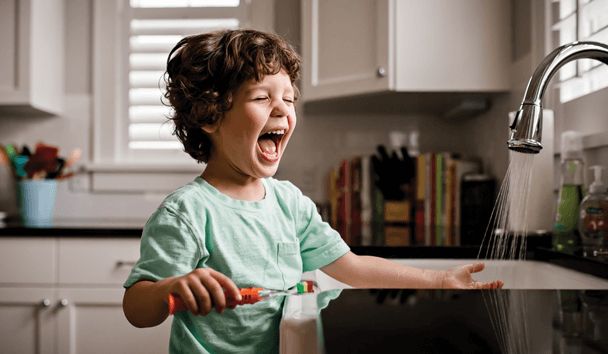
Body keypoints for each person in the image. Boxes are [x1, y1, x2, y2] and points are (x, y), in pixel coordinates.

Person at [122, 29, 504, 354]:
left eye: (288, 99)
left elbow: (352, 267)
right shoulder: (186, 213)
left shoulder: (288, 203)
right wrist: (172, 287)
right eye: (261, 98)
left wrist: (438, 280)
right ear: (209, 114)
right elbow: (137, 307)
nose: (282, 110)